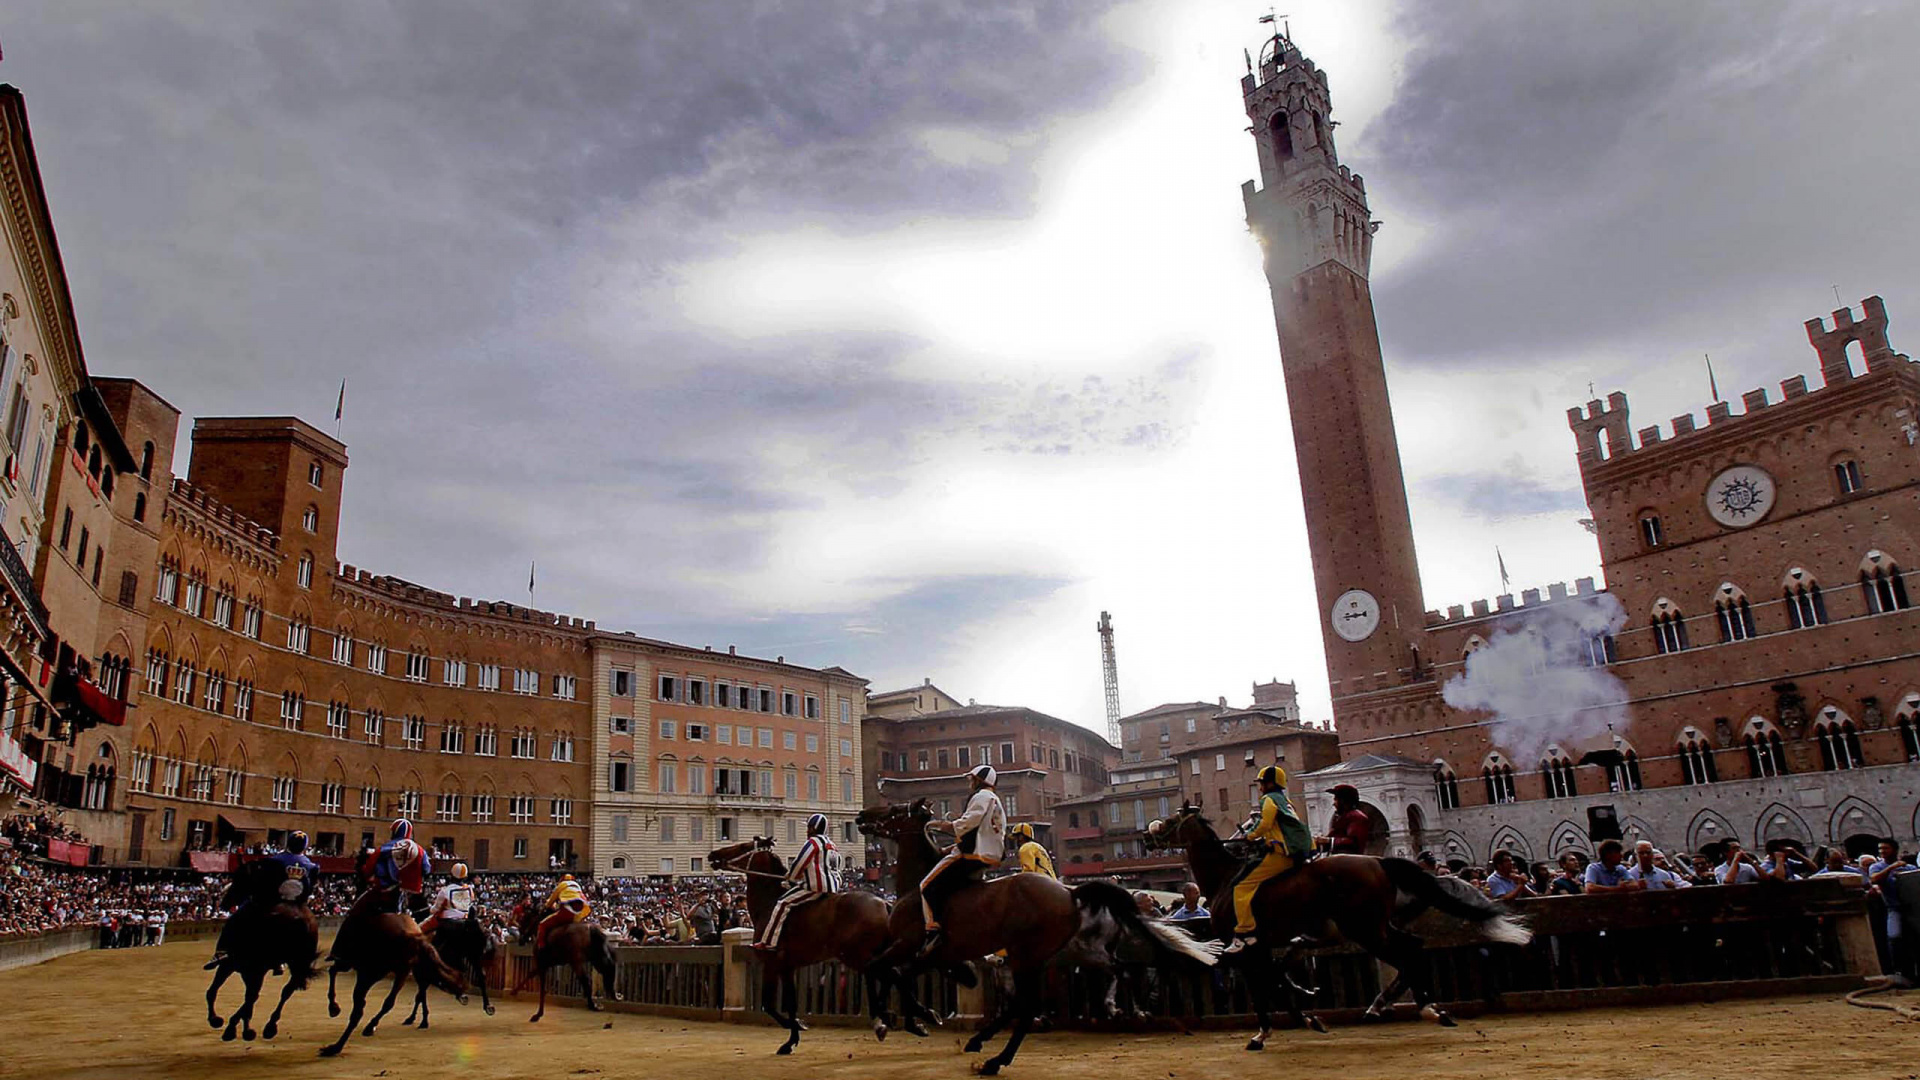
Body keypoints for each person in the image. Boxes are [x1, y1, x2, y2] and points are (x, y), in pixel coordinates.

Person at [917, 764, 1007, 959]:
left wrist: (944, 825)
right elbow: (979, 831)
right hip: (988, 855)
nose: (969, 782)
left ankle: (933, 932)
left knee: (926, 886)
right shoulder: (995, 800)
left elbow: (968, 824)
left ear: (979, 781)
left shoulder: (982, 796)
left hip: (972, 854)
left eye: (972, 779)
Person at [1222, 765, 1312, 956]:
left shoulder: (1268, 799)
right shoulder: (1285, 801)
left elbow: (1265, 823)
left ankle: (1243, 933)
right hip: (1296, 854)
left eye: (1262, 783)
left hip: (1280, 855)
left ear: (1270, 783)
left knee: (1241, 887)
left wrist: (1250, 836)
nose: (1260, 786)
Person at [207, 830, 319, 969]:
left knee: (236, 919)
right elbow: (310, 888)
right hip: (298, 903)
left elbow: (265, 881)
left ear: (288, 843)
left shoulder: (275, 860)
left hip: (274, 900)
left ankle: (221, 951)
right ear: (305, 847)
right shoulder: (312, 866)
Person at [755, 814, 841, 951]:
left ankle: (769, 942)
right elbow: (837, 867)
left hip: (815, 887)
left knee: (782, 903)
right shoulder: (833, 845)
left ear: (813, 828)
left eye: (808, 827)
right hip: (834, 887)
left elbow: (800, 864)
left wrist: (790, 878)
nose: (807, 830)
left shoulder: (812, 843)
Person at [374, 819, 431, 914]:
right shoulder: (420, 850)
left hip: (388, 890)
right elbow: (426, 869)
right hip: (413, 891)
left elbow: (378, 869)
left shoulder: (385, 848)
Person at [534, 873, 589, 952]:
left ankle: (541, 948)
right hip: (580, 914)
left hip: (567, 912)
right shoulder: (577, 886)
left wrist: (544, 907)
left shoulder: (562, 885)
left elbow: (550, 901)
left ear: (562, 880)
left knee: (542, 925)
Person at [420, 862, 477, 935]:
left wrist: (431, 909)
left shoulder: (445, 890)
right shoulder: (469, 890)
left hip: (446, 921)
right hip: (464, 920)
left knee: (419, 929)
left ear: (451, 875)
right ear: (465, 877)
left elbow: (435, 910)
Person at [1320, 784, 1372, 854]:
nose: (1334, 804)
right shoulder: (1342, 818)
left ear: (1343, 801)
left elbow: (1353, 843)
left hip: (1350, 862)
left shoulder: (1357, 817)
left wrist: (1328, 840)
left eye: (1336, 800)